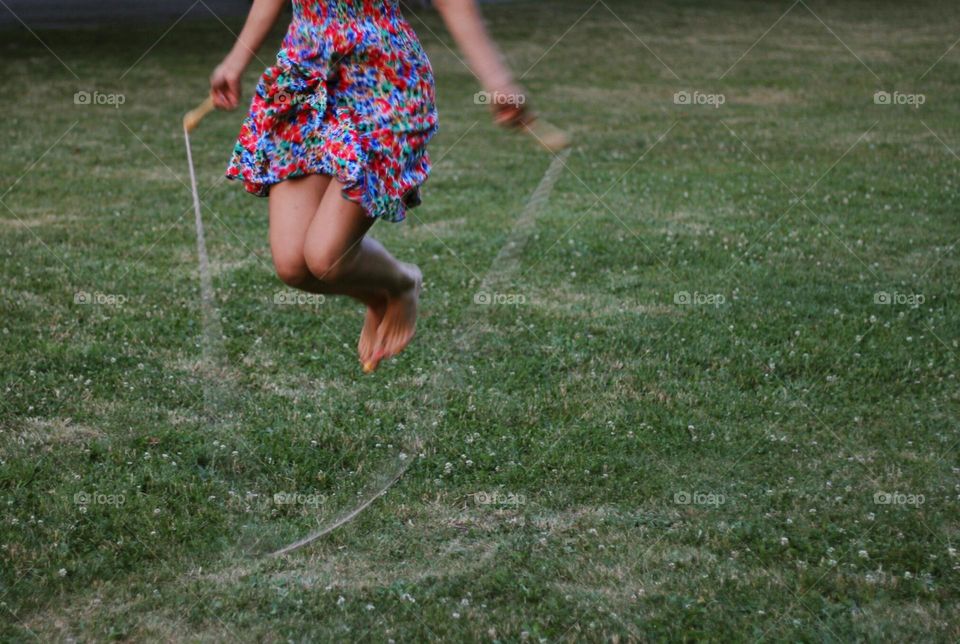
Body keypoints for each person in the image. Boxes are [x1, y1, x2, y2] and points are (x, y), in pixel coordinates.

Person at [210, 0, 529, 373]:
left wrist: (496, 80)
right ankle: (379, 296)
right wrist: (236, 60)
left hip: (382, 82)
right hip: (305, 79)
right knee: (292, 267)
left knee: (326, 258)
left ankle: (401, 285)